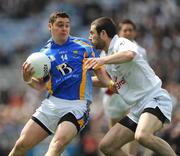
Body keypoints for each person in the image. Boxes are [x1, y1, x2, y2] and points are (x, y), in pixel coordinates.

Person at [8, 12, 114, 156]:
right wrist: (27, 78)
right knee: (21, 145)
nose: (64, 28)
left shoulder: (84, 46)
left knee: (57, 144)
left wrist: (111, 84)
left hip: (77, 105)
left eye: (67, 25)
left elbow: (100, 73)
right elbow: (40, 86)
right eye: (60, 25)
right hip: (52, 104)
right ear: (50, 26)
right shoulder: (43, 54)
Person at [85, 17, 176, 156]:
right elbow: (107, 82)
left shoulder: (121, 43)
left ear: (103, 33)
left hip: (154, 99)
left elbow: (129, 54)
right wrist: (80, 80)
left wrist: (101, 61)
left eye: (92, 33)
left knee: (142, 136)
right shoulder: (107, 54)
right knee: (107, 146)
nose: (89, 37)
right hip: (136, 109)